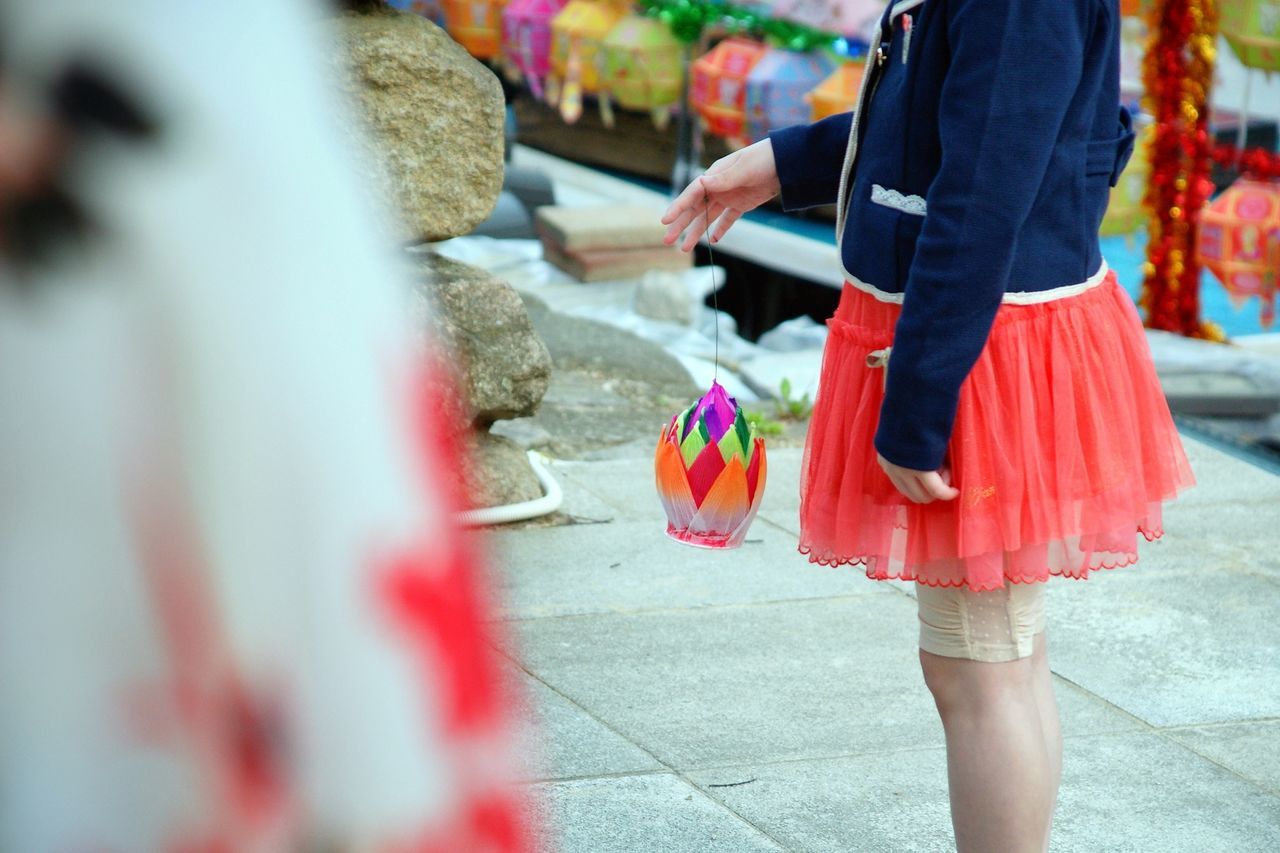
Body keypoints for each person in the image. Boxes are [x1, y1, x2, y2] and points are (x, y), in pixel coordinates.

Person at [661, 0, 1195, 850]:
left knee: (980, 657)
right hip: (984, 330)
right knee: (997, 649)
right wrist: (780, 162)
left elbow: (984, 189)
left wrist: (920, 398)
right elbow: (943, 117)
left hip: (984, 342)